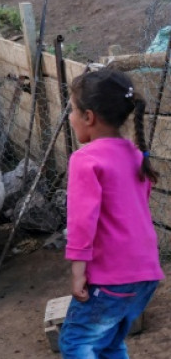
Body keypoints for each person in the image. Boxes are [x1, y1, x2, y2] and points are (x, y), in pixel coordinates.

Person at [58, 69, 164, 358]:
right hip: (145, 275)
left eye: (72, 110)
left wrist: (78, 270)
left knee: (76, 342)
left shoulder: (86, 159)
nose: (69, 117)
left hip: (111, 279)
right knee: (109, 344)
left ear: (89, 117)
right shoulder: (134, 153)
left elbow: (81, 221)